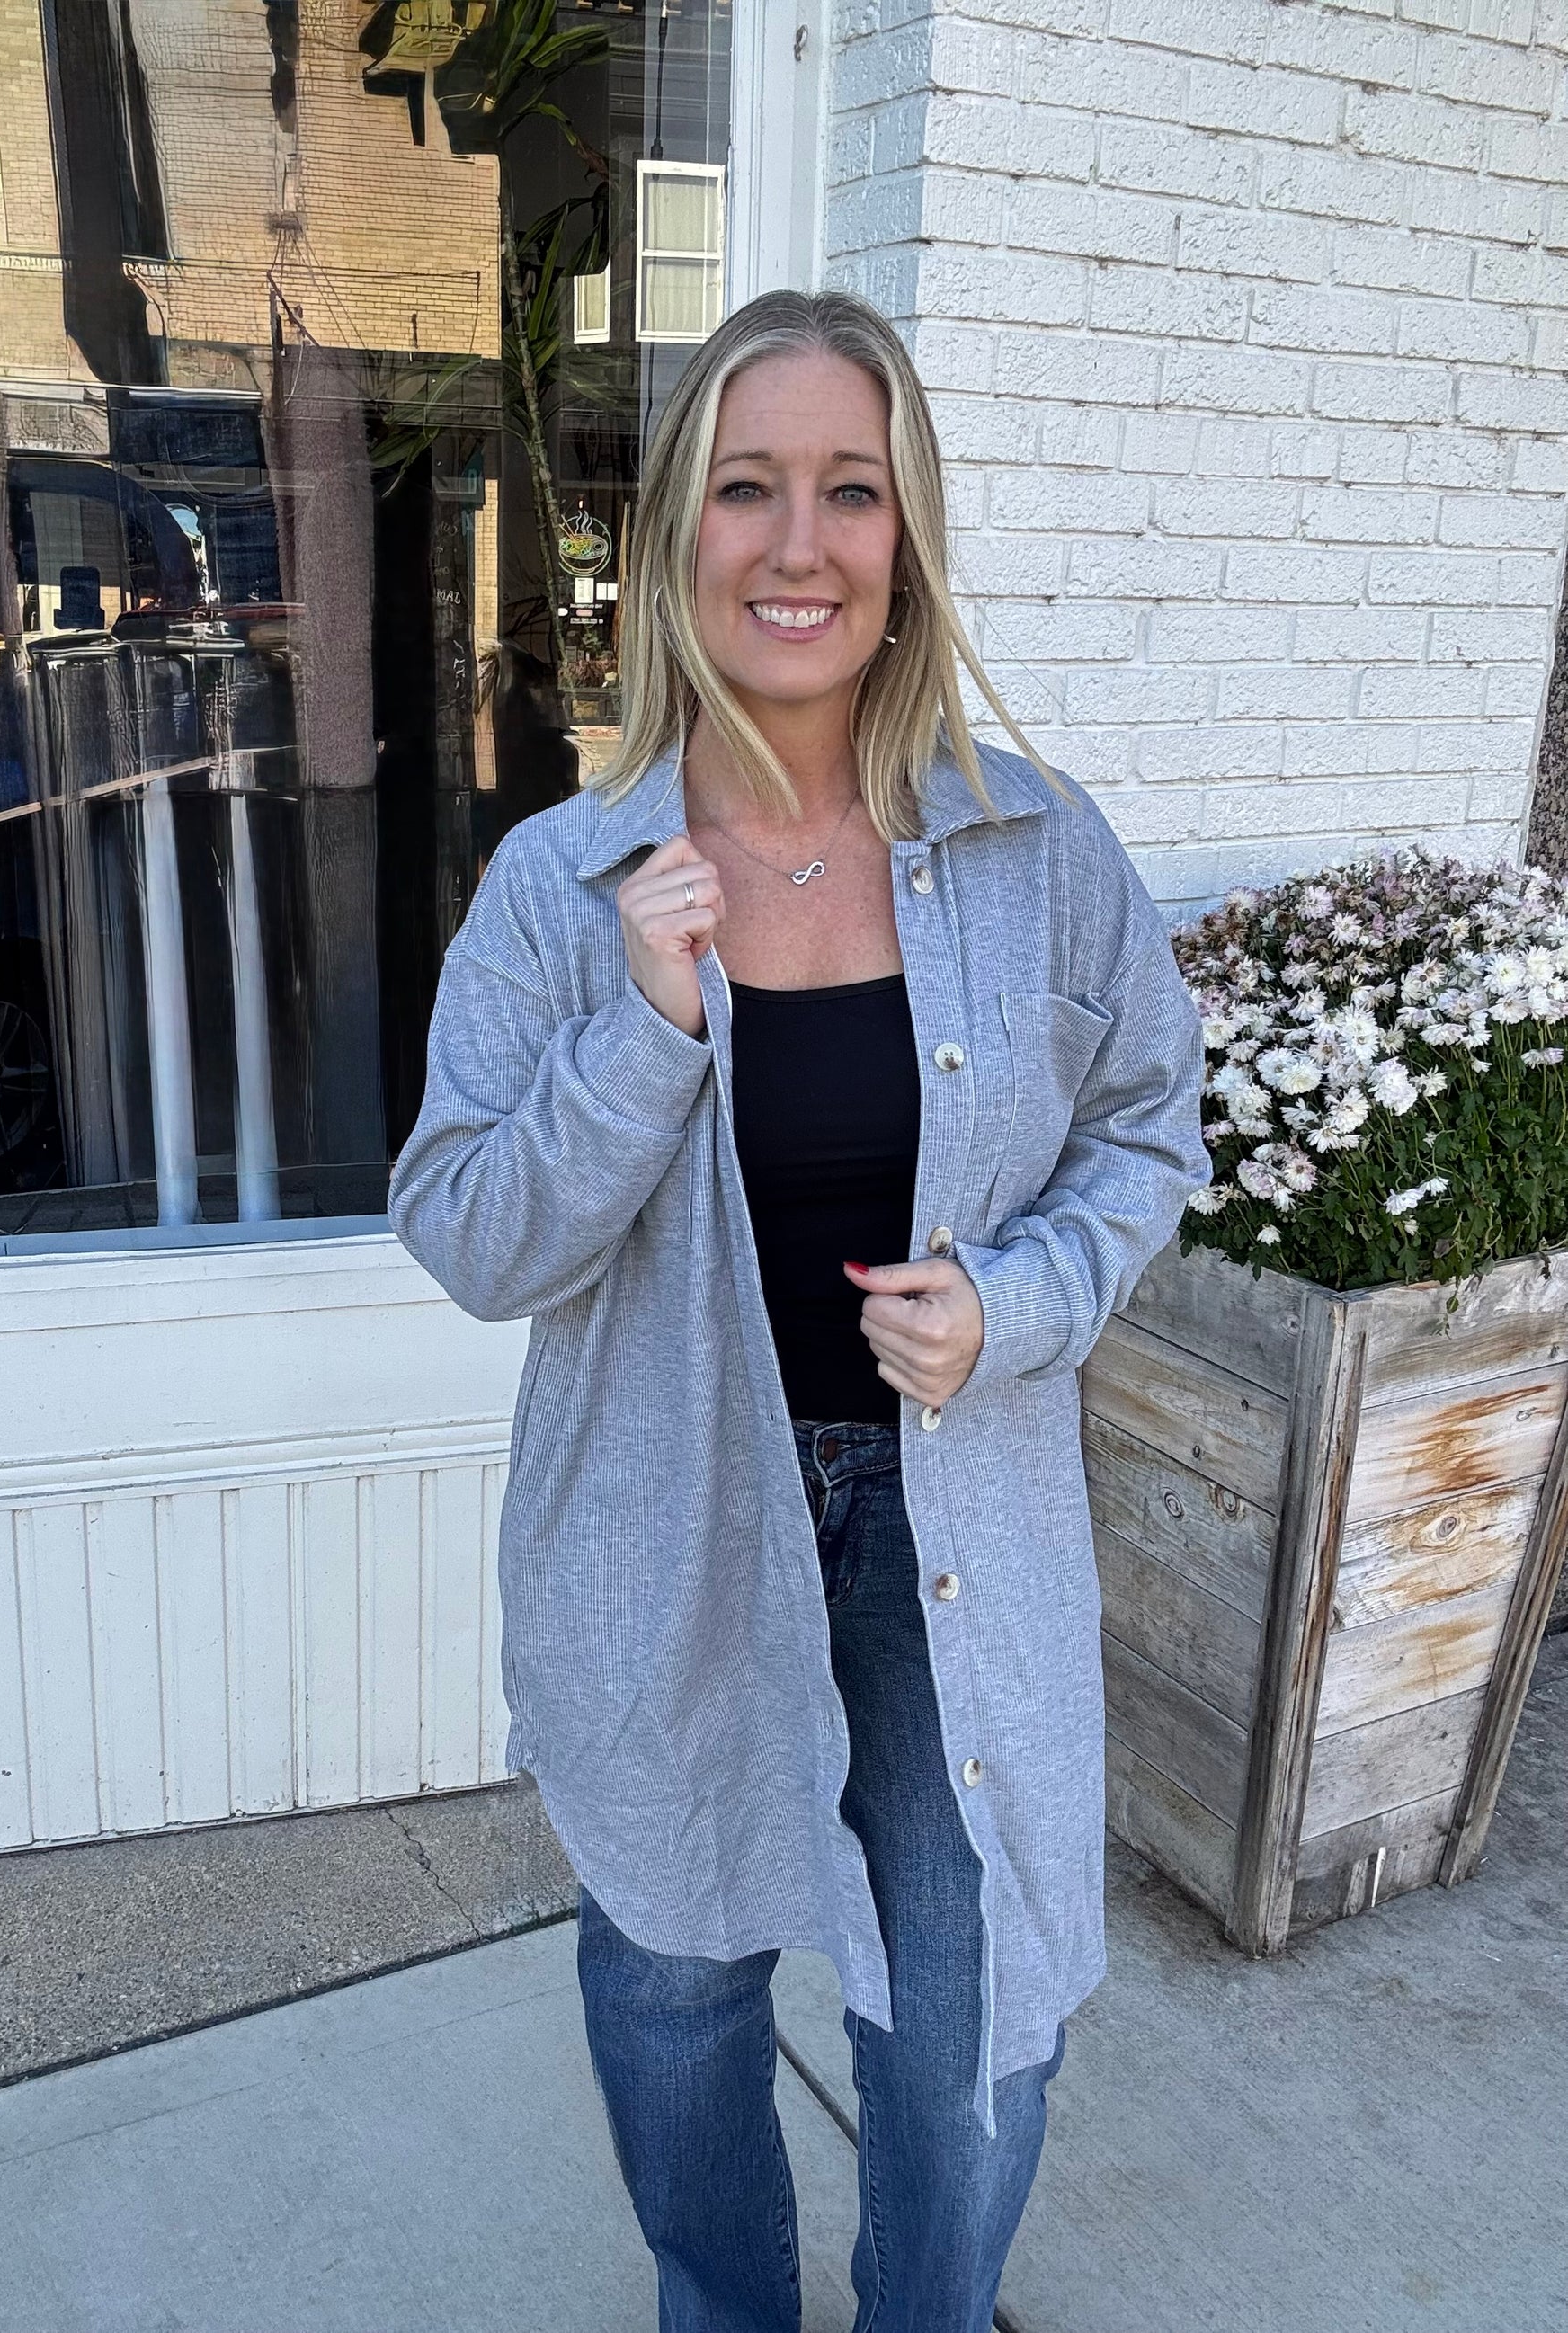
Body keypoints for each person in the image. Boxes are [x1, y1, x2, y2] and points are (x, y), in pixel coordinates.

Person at [388, 289, 1209, 2332]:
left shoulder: (1037, 851)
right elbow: (468, 1232)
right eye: (746, 487)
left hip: (951, 1525)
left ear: (905, 534)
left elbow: (1148, 1135)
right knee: (676, 1979)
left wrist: (1016, 1301)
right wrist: (643, 1032)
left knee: (965, 2014)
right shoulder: (565, 884)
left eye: (850, 489)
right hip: (667, 1529)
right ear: (676, 531)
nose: (797, 543)